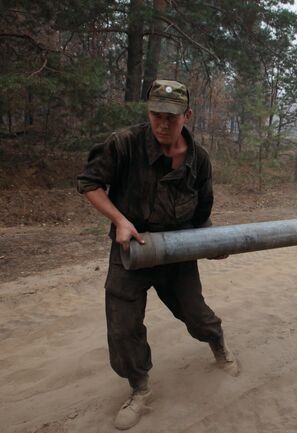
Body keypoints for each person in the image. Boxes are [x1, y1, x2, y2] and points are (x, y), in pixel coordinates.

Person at [77, 79, 239, 430]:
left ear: (188, 116)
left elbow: (202, 214)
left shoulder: (199, 160)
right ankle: (139, 388)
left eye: (172, 117)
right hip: (130, 251)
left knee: (196, 316)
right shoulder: (124, 145)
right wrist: (119, 220)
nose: (163, 124)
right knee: (123, 328)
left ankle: (219, 345)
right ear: (148, 113)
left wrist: (211, 244)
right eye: (156, 115)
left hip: (177, 253)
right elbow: (89, 183)